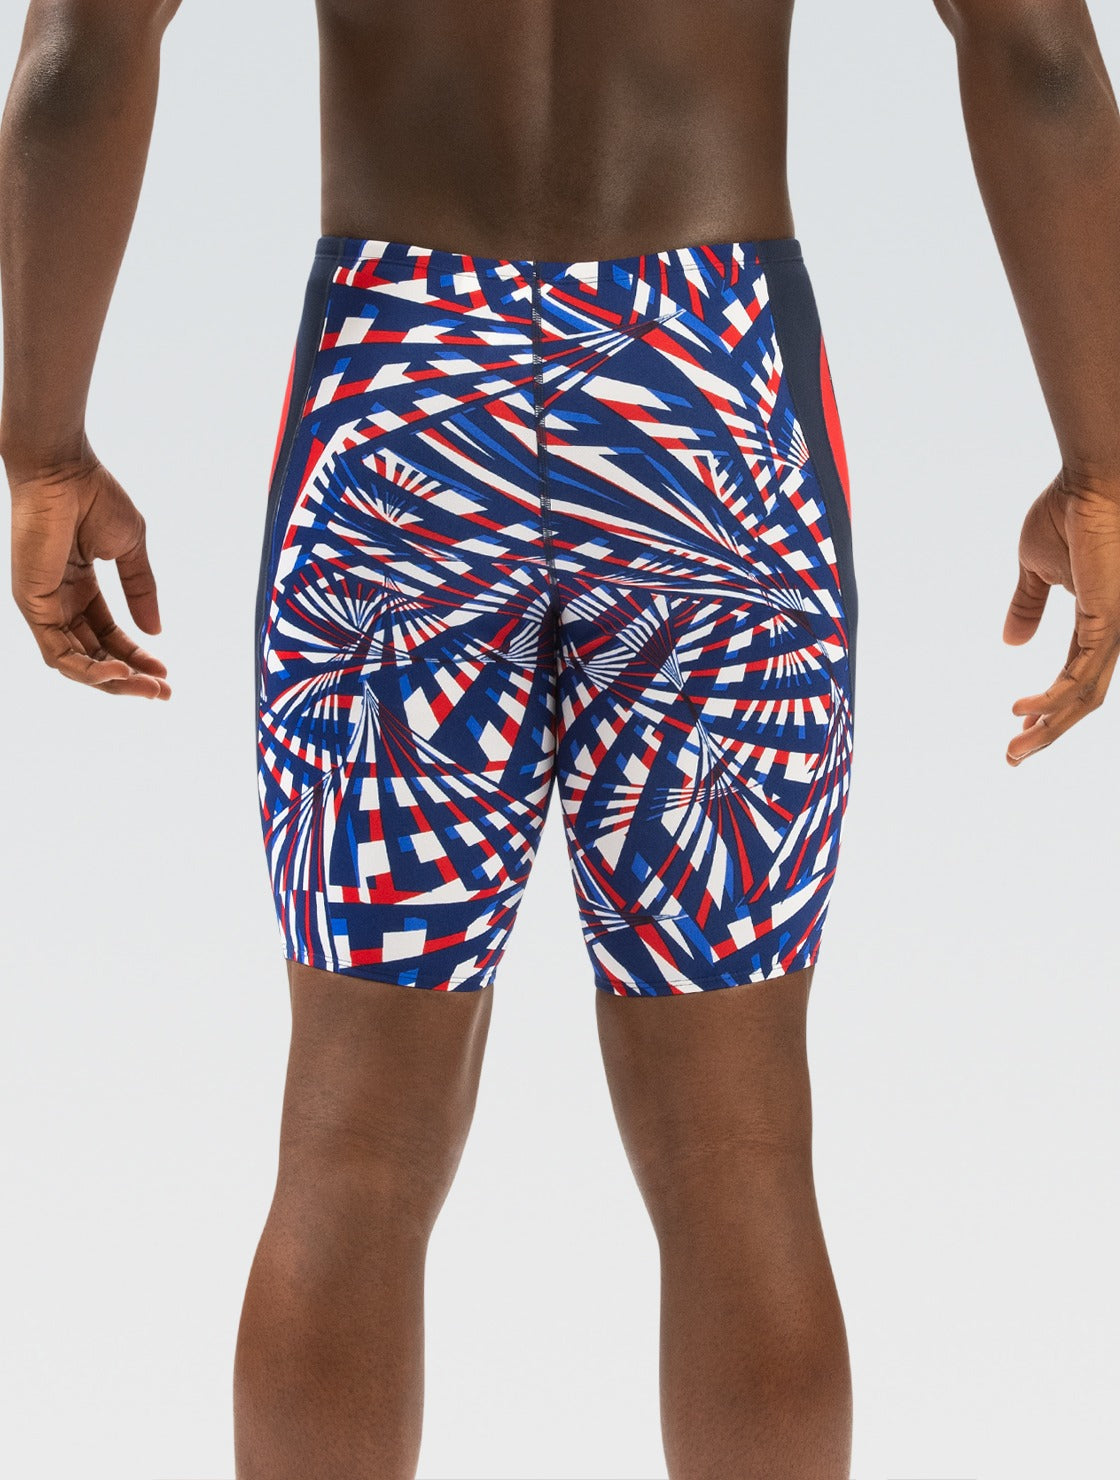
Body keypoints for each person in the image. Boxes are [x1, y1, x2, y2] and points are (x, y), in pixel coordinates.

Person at [3, 2, 1120, 1477]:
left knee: (350, 1152)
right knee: (741, 1160)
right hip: (708, 396)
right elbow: (1037, 53)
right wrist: (1102, 461)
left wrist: (42, 446)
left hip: (402, 392)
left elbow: (82, 53)